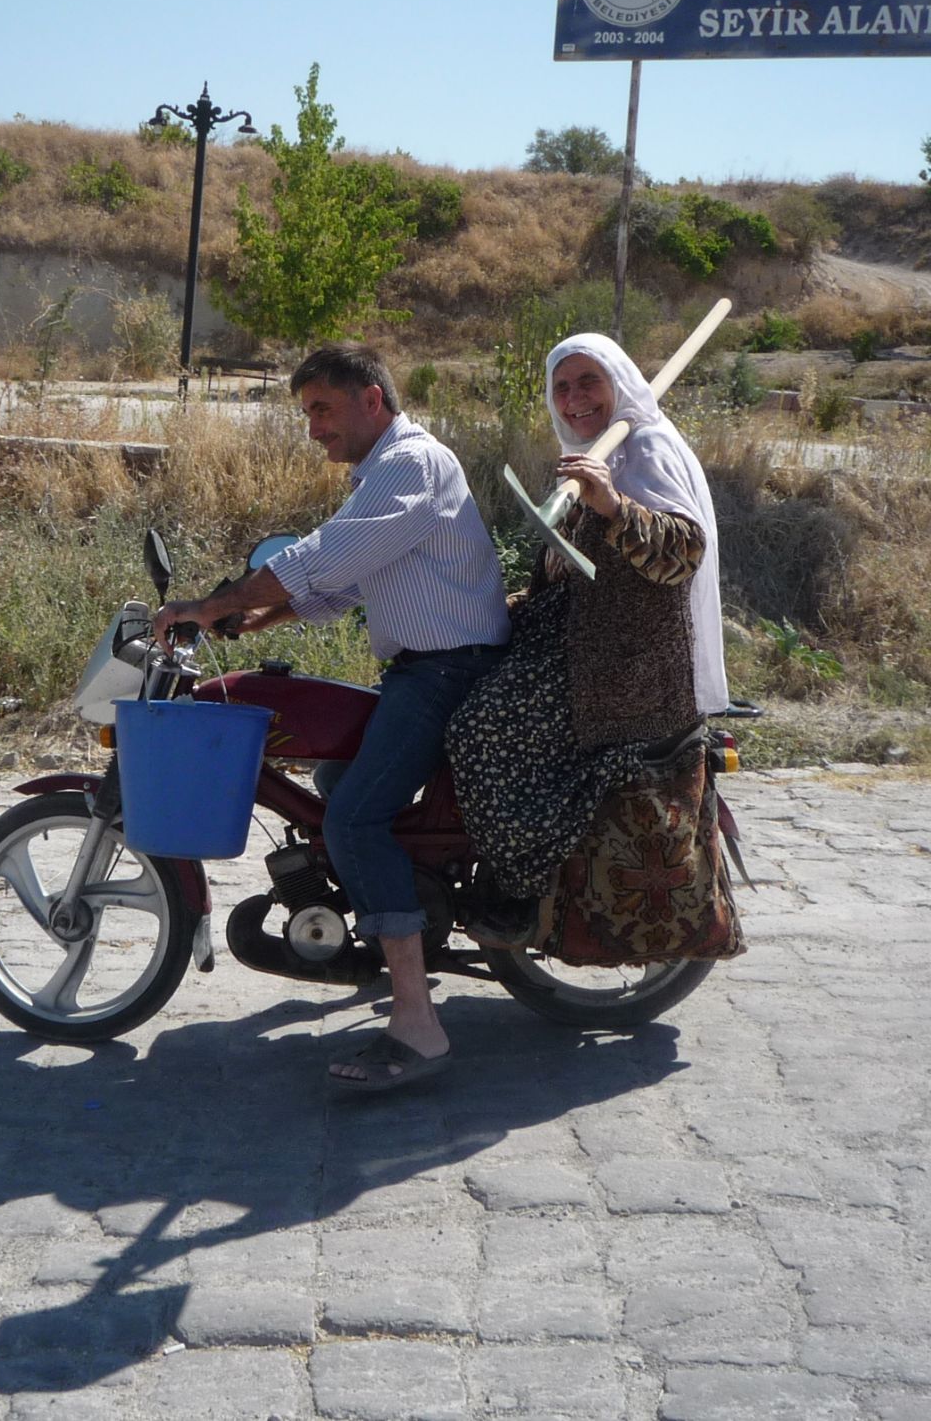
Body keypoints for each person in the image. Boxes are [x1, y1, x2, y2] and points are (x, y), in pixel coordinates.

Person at [152, 344, 509, 1092]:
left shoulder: (410, 464)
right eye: (307, 412)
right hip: (426, 669)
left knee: (352, 820)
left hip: (446, 673)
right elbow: (345, 581)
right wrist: (258, 618)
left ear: (371, 399)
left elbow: (327, 555)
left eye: (321, 409)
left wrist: (213, 604)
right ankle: (393, 924)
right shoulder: (385, 472)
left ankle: (417, 1024)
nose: (313, 427)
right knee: (338, 777)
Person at [446, 331, 729, 941]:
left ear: (618, 384)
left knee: (481, 728)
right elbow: (571, 572)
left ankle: (519, 889)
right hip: (579, 645)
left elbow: (683, 553)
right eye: (562, 387)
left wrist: (613, 506)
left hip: (629, 664)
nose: (575, 399)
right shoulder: (592, 455)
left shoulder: (646, 446)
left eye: (589, 382)